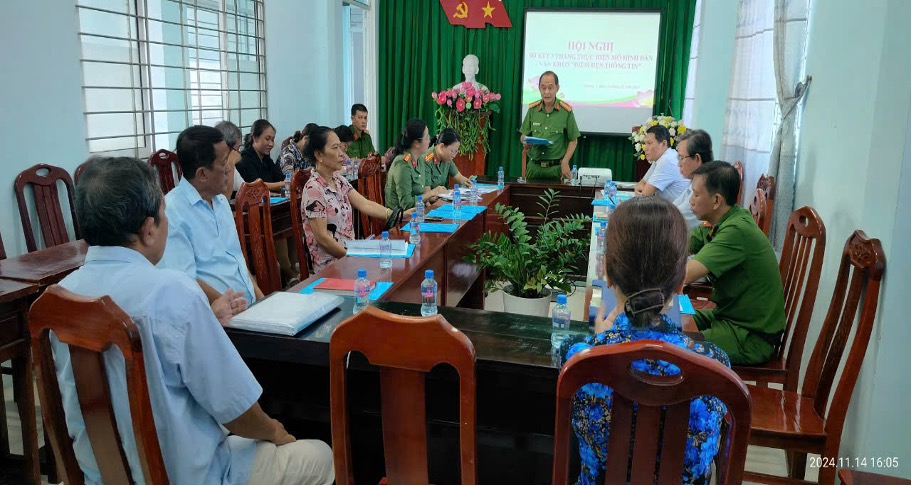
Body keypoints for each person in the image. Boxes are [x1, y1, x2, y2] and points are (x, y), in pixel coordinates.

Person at [57, 156, 334, 484]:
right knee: (320, 454)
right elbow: (237, 411)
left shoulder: (59, 298)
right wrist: (275, 431)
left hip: (101, 477)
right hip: (192, 477)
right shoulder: (172, 293)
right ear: (149, 230)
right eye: (163, 215)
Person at [562, 196, 730, 485]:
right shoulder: (714, 364)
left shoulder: (580, 358)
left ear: (609, 277)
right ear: (680, 282)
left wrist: (602, 338)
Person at [685, 161, 786, 365]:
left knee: (674, 345)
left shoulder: (736, 231)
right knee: (671, 321)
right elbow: (682, 243)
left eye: (696, 194)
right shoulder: (724, 220)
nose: (690, 200)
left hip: (750, 336)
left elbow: (683, 275)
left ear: (716, 201)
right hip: (728, 317)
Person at [158, 125, 265, 305]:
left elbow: (237, 262)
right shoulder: (172, 211)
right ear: (202, 174)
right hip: (219, 318)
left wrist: (263, 301)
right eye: (224, 163)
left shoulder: (221, 202)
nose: (229, 169)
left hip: (247, 310)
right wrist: (233, 306)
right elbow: (184, 280)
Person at [303, 126, 412, 273]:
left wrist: (397, 214)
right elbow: (322, 238)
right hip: (332, 268)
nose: (342, 153)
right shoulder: (313, 189)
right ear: (318, 154)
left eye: (340, 147)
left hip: (350, 259)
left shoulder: (338, 180)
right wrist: (351, 256)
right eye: (335, 148)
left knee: (397, 267)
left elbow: (364, 204)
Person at [519, 71, 580, 181]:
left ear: (557, 88)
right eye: (543, 88)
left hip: (556, 169)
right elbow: (523, 135)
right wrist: (524, 141)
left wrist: (565, 162)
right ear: (539, 88)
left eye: (550, 88)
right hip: (534, 168)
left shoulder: (566, 111)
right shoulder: (533, 110)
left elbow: (573, 140)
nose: (547, 92)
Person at [385, 118, 442, 210]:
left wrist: (430, 201)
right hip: (401, 220)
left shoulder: (420, 160)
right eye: (427, 137)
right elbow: (406, 204)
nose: (429, 141)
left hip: (417, 213)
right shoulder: (402, 164)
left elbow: (420, 195)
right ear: (416, 143)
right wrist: (431, 193)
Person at [634, 125, 690, 201]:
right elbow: (642, 182)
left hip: (675, 211)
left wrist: (642, 190)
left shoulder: (667, 160)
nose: (645, 148)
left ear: (663, 143)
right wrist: (639, 188)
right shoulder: (660, 158)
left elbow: (645, 195)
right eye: (645, 143)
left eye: (649, 143)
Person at [673, 128, 714, 229]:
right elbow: (673, 207)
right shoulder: (694, 180)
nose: (679, 164)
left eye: (682, 158)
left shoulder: (705, 187)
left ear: (697, 159)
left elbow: (673, 222)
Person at [236, 119, 284, 192]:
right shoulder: (244, 159)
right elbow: (256, 185)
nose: (271, 144)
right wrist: (283, 184)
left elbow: (280, 177)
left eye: (273, 140)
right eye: (267, 139)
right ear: (255, 138)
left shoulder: (266, 158)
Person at [214, 121, 245, 200]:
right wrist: (231, 162)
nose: (238, 153)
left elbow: (243, 188)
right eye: (237, 149)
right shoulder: (212, 164)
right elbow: (224, 197)